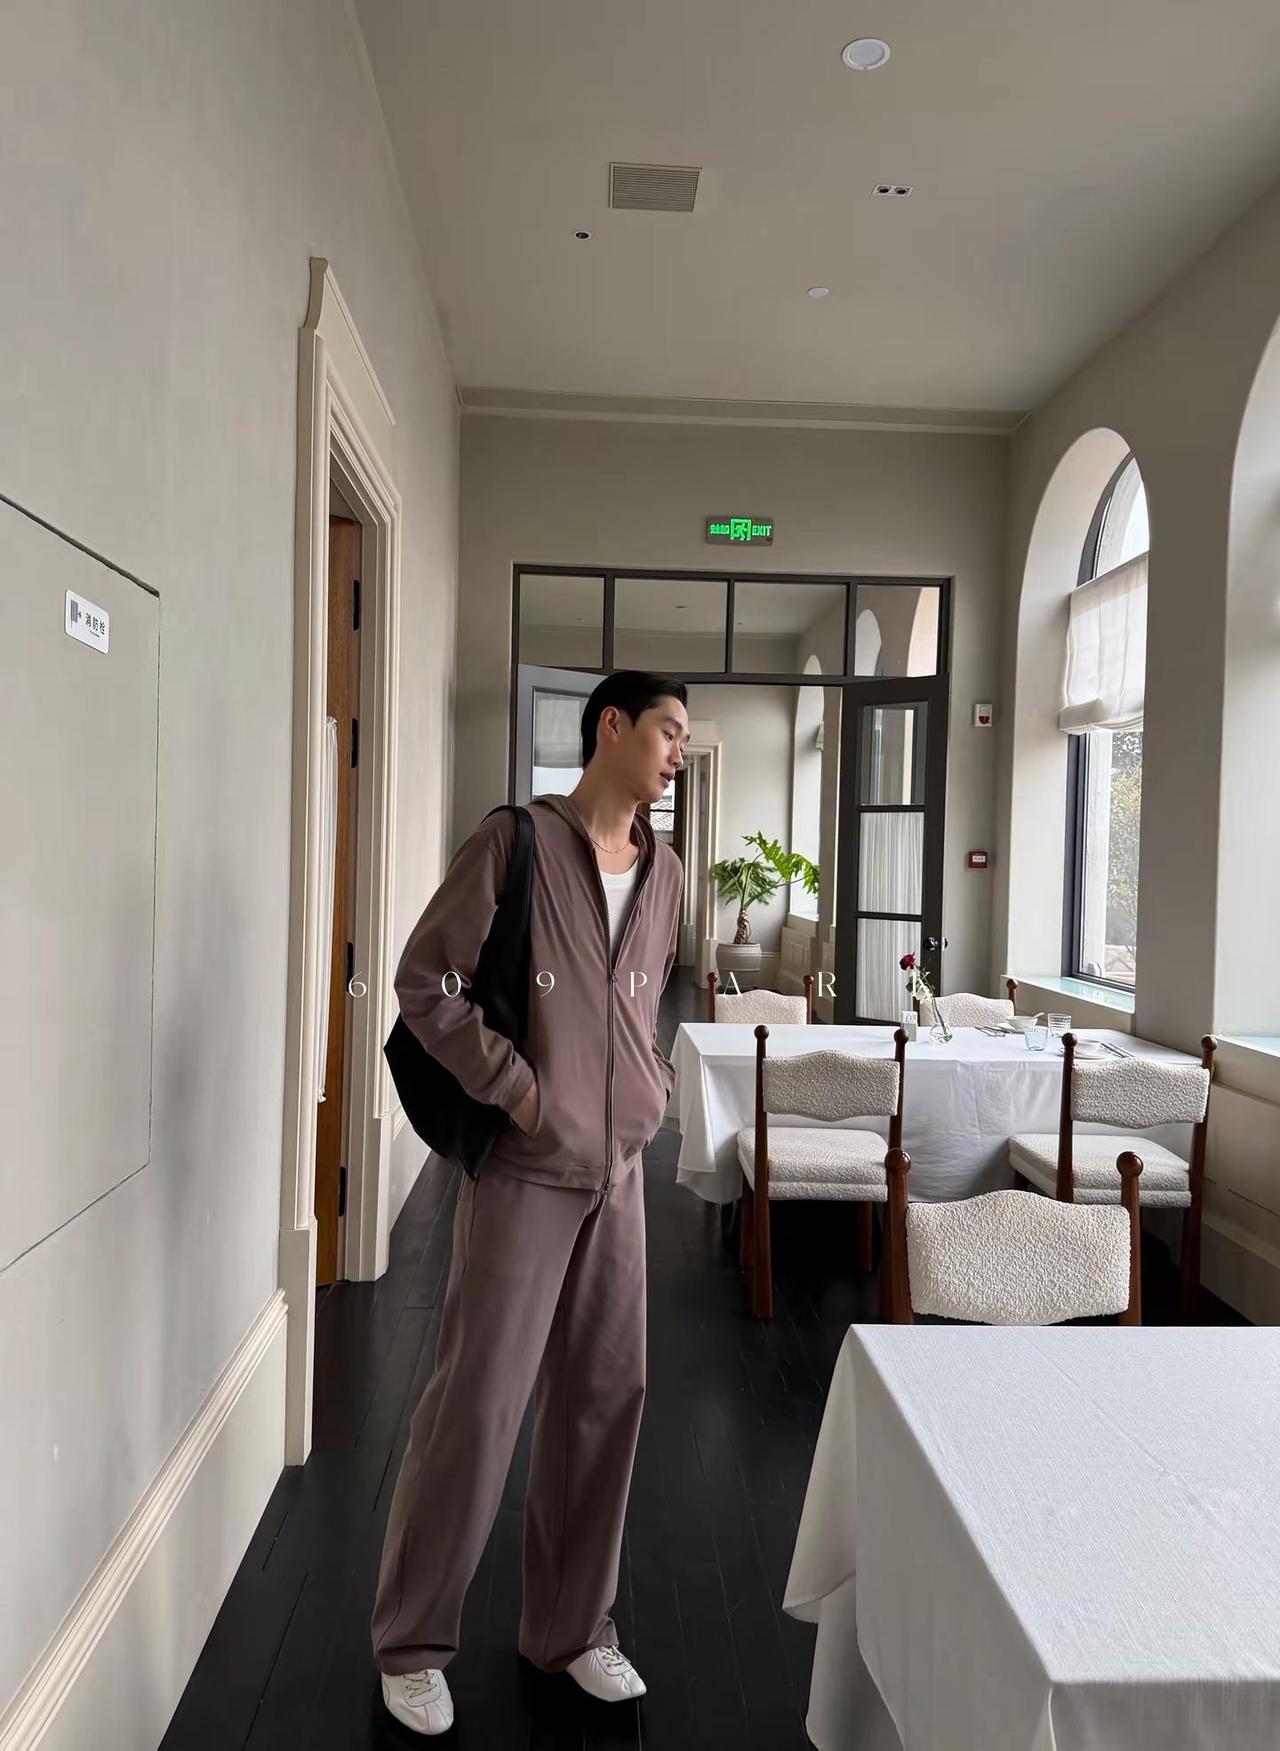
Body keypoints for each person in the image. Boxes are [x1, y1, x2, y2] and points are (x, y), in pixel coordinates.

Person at [372, 670, 690, 1736]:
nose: (677, 752)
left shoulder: (666, 870)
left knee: (606, 1397)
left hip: (621, 1173)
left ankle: (570, 1628)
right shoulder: (515, 842)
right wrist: (517, 1090)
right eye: (668, 730)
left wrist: (650, 1090)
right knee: (479, 1400)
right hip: (524, 1169)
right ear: (612, 726)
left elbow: (647, 999)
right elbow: (426, 981)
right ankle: (412, 1642)